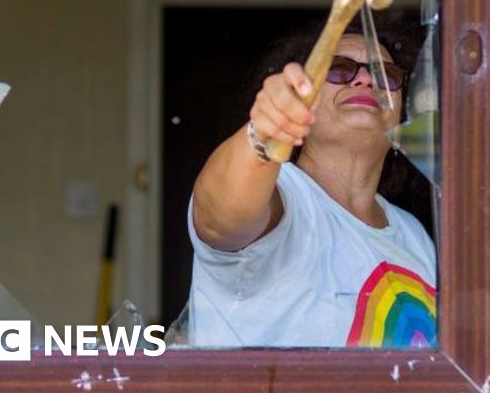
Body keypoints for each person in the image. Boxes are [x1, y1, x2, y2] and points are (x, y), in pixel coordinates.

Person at [187, 31, 436, 348]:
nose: (364, 81)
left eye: (384, 75)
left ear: (401, 111)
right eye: (339, 69)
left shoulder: (414, 236)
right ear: (303, 99)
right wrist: (262, 131)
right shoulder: (283, 196)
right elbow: (217, 219)